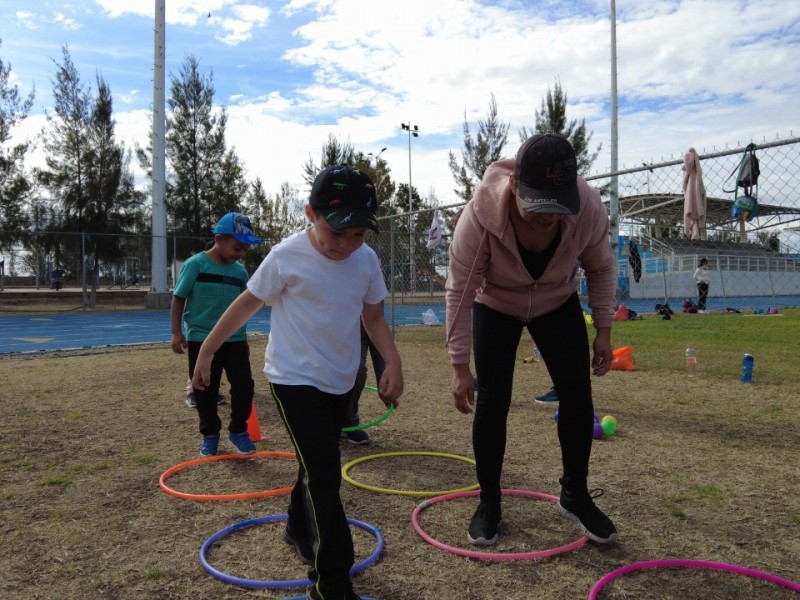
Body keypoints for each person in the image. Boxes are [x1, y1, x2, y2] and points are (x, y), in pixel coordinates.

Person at [192, 165, 403, 600]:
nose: (346, 245)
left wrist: (392, 362)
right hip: (293, 379)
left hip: (340, 379)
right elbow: (246, 304)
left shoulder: (366, 260)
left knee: (314, 465)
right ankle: (331, 584)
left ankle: (295, 526)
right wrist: (209, 350)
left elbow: (375, 317)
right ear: (311, 213)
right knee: (326, 473)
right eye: (337, 232)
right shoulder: (287, 256)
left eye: (359, 234)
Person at [446, 133, 618, 546]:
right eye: (539, 206)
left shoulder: (588, 208)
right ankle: (489, 502)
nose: (548, 218)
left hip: (557, 301)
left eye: (558, 207)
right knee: (493, 397)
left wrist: (604, 332)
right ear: (515, 186)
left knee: (577, 391)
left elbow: (600, 267)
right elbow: (459, 291)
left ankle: (574, 494)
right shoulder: (480, 217)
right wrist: (459, 366)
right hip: (496, 303)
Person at [170, 212, 264, 457]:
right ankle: (210, 433)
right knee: (204, 389)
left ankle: (238, 431)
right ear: (219, 239)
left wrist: (243, 337)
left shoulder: (240, 272)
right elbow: (178, 298)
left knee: (244, 385)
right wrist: (175, 332)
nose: (241, 253)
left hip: (234, 339)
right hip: (200, 339)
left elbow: (246, 304)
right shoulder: (196, 265)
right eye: (237, 247)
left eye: (245, 249)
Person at [342, 317, 386, 445]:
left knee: (357, 371)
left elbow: (375, 319)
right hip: (331, 328)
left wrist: (382, 380)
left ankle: (349, 423)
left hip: (360, 326)